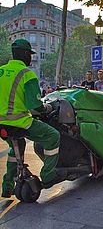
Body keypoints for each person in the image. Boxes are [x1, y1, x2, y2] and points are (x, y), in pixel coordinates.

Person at [0, 39, 65, 198]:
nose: (30, 58)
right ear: (23, 54)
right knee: (53, 136)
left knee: (16, 146)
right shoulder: (27, 74)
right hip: (20, 122)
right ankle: (48, 175)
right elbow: (35, 105)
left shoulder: (1, 70)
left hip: (1, 124)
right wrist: (47, 108)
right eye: (29, 54)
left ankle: (7, 186)